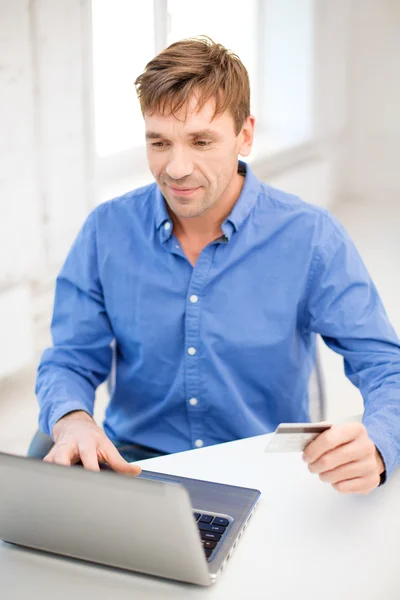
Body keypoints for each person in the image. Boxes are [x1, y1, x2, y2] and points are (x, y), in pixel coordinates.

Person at [35, 37, 400, 494]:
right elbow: (70, 358)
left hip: (260, 470)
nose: (177, 167)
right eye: (159, 142)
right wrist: (72, 420)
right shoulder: (105, 231)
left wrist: (381, 444)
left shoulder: (310, 237)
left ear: (245, 135)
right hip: (137, 465)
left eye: (201, 141)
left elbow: (386, 365)